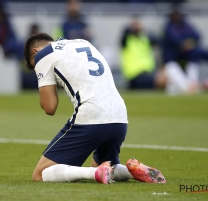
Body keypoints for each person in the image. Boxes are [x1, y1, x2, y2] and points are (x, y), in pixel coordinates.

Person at [23, 33, 166, 184]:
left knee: (40, 174)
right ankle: (130, 171)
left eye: (34, 66)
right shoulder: (83, 43)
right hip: (120, 115)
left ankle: (95, 173)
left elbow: (49, 107)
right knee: (102, 164)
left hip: (92, 114)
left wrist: (45, 83)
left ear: (35, 52)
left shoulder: (43, 55)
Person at [163, 9, 208, 92]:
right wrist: (183, 43)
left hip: (193, 51)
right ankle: (192, 81)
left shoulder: (185, 25)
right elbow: (174, 39)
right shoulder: (169, 27)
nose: (177, 17)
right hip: (177, 55)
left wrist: (189, 42)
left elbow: (197, 35)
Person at [120, 19, 166, 89]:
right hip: (134, 74)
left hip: (148, 72)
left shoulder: (145, 38)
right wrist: (133, 28)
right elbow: (124, 33)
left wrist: (145, 30)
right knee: (158, 83)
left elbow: (159, 41)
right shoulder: (127, 40)